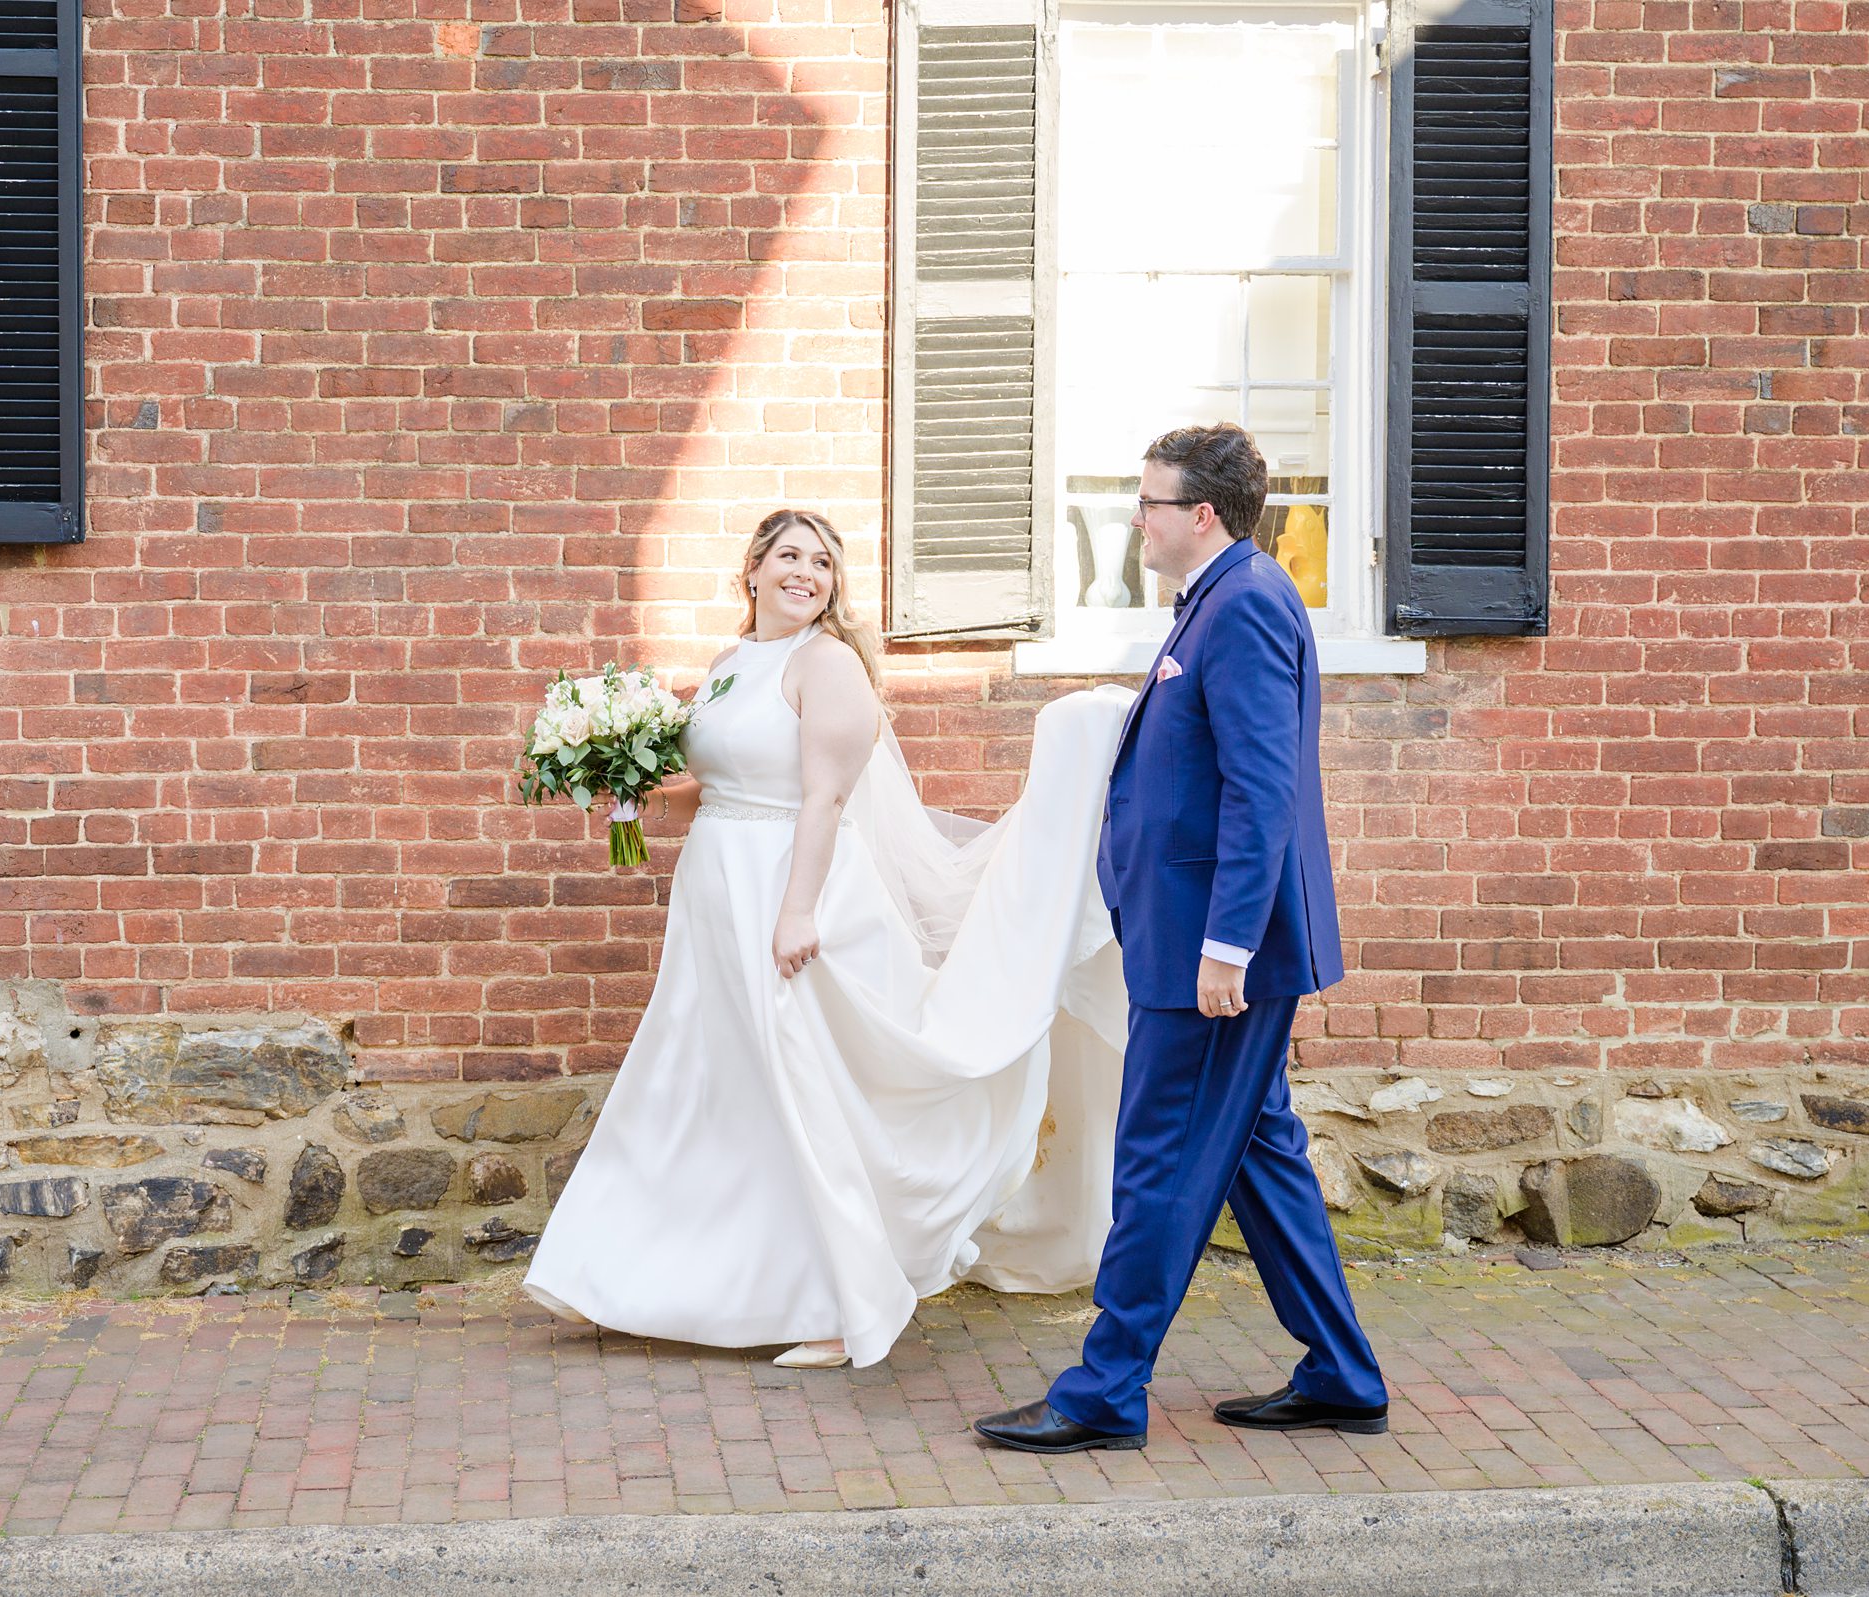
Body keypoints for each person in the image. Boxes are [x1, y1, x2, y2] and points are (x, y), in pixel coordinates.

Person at [522, 509, 1133, 1369]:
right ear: (755, 570)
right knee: (711, 1084)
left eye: (821, 562)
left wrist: (798, 909)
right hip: (717, 894)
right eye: (789, 556)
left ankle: (847, 1305)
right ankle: (636, 1276)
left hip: (793, 890)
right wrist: (622, 780)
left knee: (802, 1090)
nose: (805, 572)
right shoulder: (733, 667)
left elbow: (822, 797)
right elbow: (717, 784)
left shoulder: (828, 664)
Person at [974, 424, 1388, 1454]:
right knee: (1259, 1149)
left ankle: (1105, 1389)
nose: (1136, 518)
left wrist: (1228, 950)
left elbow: (1262, 790)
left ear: (1200, 513)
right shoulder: (1215, 599)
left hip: (1212, 957)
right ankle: (1340, 1371)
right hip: (1195, 941)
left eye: (1148, 501)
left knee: (1155, 1159)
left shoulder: (1242, 604)